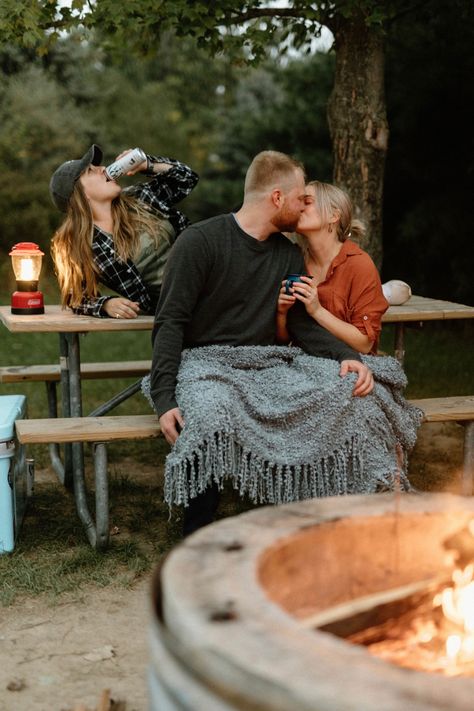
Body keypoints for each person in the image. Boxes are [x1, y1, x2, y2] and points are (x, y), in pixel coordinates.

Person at [149, 150, 374, 535]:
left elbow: (302, 324)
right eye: (301, 197)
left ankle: (320, 515)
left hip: (266, 364)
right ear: (276, 198)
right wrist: (164, 398)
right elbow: (170, 322)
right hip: (205, 364)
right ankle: (198, 537)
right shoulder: (200, 242)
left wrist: (347, 355)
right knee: (211, 410)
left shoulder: (287, 255)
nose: (306, 204)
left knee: (344, 392)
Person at [49, 144, 198, 318]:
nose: (103, 168)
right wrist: (106, 304)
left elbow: (187, 179)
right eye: (91, 170)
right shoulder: (82, 244)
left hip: (207, 276)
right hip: (179, 306)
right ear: (80, 194)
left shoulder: (138, 198)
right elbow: (76, 296)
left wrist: (148, 164)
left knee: (223, 225)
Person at [277, 180, 389, 354]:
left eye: (307, 202)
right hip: (301, 363)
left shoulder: (359, 265)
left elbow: (364, 344)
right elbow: (284, 340)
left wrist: (317, 311)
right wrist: (282, 313)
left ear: (333, 216)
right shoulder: (293, 259)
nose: (298, 207)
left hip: (352, 364)